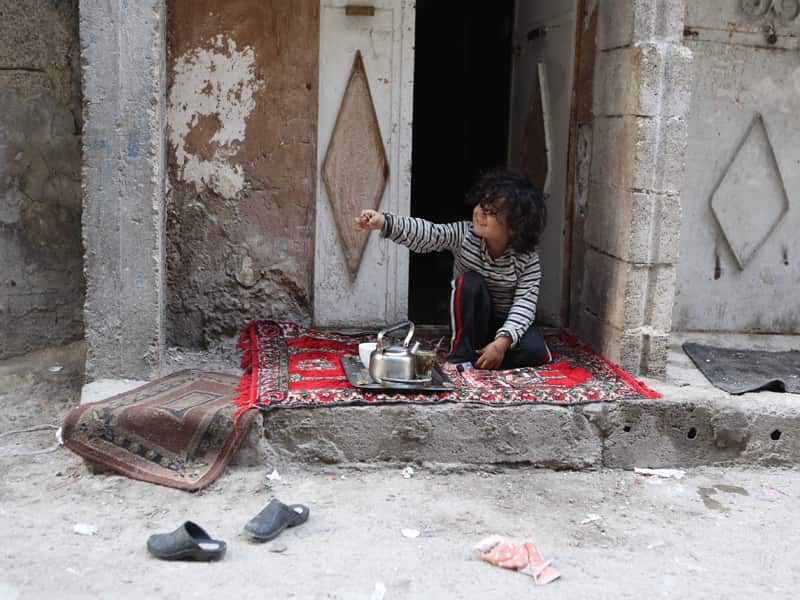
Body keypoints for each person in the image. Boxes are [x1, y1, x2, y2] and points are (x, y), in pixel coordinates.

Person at [355, 169, 550, 370]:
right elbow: (428, 234)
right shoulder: (465, 235)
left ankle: (488, 356)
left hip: (508, 325)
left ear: (515, 226)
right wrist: (384, 222)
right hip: (472, 322)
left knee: (535, 352)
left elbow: (525, 305)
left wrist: (501, 343)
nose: (480, 213)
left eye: (492, 212)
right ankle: (461, 357)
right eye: (482, 205)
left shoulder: (527, 259)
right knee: (468, 282)